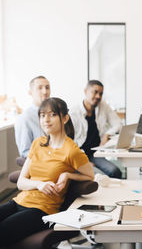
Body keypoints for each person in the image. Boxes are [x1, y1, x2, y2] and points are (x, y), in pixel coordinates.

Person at [0, 97, 94, 246]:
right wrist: (38, 184)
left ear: (65, 118)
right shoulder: (38, 143)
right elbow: (21, 183)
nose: (46, 120)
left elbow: (90, 175)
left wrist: (68, 174)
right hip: (20, 200)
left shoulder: (71, 151)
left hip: (43, 210)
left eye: (52, 114)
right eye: (42, 115)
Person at [70, 80, 123, 178]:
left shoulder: (103, 106)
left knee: (115, 172)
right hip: (80, 156)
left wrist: (107, 134)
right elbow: (70, 142)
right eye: (95, 92)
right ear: (85, 91)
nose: (98, 96)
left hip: (96, 153)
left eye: (101, 93)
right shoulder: (74, 113)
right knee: (101, 176)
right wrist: (84, 162)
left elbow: (118, 124)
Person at [14, 75, 51, 158]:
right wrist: (48, 156)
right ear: (30, 93)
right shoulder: (24, 118)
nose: (45, 92)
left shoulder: (55, 113)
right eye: (40, 88)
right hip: (41, 162)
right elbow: (24, 152)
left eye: (47, 87)